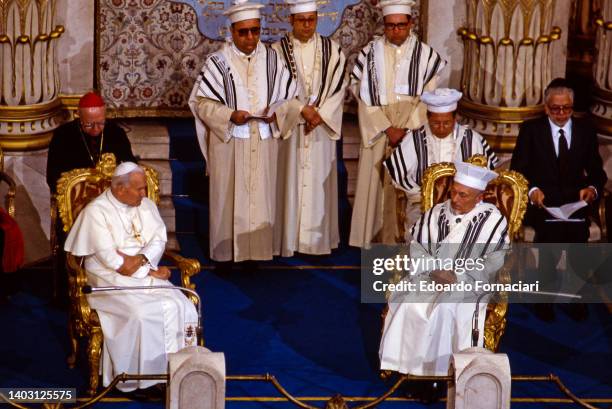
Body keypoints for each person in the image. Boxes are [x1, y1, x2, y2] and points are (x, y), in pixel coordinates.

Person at [64, 162, 198, 394]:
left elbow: (158, 240)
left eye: (144, 188)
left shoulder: (145, 206)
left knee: (184, 307)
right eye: (139, 189)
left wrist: (143, 262)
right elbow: (112, 260)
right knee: (141, 314)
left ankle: (179, 373)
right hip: (108, 279)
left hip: (145, 271)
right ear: (119, 189)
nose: (145, 194)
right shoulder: (96, 212)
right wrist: (144, 268)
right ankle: (139, 380)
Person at [379, 162, 508, 400]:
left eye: (463, 195)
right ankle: (412, 373)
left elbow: (493, 261)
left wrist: (456, 275)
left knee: (445, 311)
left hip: (468, 282)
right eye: (453, 192)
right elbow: (416, 248)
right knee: (412, 307)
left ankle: (441, 377)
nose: (455, 199)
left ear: (479, 197)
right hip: (430, 276)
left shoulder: (493, 220)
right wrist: (435, 270)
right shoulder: (436, 213)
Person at [189, 0, 299, 262]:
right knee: (226, 198)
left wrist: (278, 112)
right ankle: (226, 254)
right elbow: (201, 103)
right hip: (230, 142)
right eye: (244, 32)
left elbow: (292, 98)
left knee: (262, 198)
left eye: (255, 30)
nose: (250, 37)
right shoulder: (217, 62)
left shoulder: (274, 60)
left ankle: (258, 254)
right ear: (232, 31)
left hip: (263, 140)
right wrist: (229, 115)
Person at [349, 0, 446, 248]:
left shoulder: (426, 55)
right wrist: (386, 127)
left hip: (411, 131)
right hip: (379, 130)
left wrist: (407, 129)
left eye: (401, 26)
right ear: (384, 25)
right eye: (390, 26)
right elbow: (359, 93)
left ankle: (406, 243)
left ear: (410, 24)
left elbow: (429, 96)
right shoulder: (368, 54)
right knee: (375, 189)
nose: (396, 31)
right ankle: (375, 244)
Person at [510, 77, 607, 321]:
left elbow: (597, 171)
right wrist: (532, 192)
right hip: (543, 206)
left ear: (572, 107)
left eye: (566, 108)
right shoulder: (531, 131)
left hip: (575, 205)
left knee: (578, 251)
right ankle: (545, 299)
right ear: (546, 107)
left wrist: (593, 190)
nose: (562, 113)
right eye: (556, 109)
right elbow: (518, 171)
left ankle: (577, 299)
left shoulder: (585, 130)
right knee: (549, 249)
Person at [271, 0, 347, 256]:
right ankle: (288, 241)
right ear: (291, 20)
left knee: (317, 184)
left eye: (311, 19)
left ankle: (316, 242)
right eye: (301, 20)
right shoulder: (276, 52)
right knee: (289, 182)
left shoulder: (333, 51)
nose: (307, 25)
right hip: (292, 129)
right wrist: (301, 110)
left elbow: (339, 88)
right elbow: (273, 92)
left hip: (320, 130)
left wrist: (319, 115)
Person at [384, 88, 498, 239]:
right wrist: (425, 197)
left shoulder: (472, 139)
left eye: (447, 123)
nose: (442, 128)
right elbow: (399, 175)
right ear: (428, 118)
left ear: (455, 118)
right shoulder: (414, 139)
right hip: (422, 205)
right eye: (436, 123)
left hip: (465, 207)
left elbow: (485, 176)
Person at [46, 92, 136, 194]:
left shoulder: (116, 133)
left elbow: (130, 165)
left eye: (101, 123)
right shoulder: (62, 136)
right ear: (79, 115)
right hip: (79, 198)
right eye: (89, 124)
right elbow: (53, 177)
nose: (96, 129)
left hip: (113, 195)